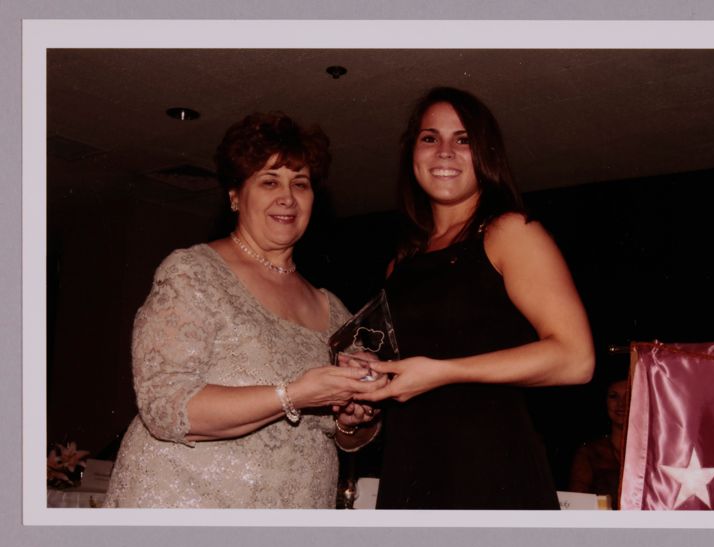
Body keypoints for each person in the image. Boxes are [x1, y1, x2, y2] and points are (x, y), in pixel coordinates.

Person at [104, 112, 385, 508]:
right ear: (235, 196)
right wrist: (294, 394)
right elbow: (166, 408)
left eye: (300, 184)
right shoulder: (194, 272)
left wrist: (356, 417)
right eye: (269, 181)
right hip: (190, 503)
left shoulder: (334, 309)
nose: (287, 197)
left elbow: (343, 435)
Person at [354, 87, 595, 509]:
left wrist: (444, 372)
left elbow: (576, 360)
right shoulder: (400, 264)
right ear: (413, 153)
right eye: (430, 137)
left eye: (462, 139)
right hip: (410, 468)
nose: (445, 151)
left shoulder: (509, 232)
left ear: (486, 153)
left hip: (490, 469)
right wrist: (371, 374)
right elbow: (408, 370)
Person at [568, 376, 629, 509]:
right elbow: (576, 504)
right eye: (614, 396)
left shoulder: (653, 450)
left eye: (629, 395)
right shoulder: (589, 452)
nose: (621, 404)